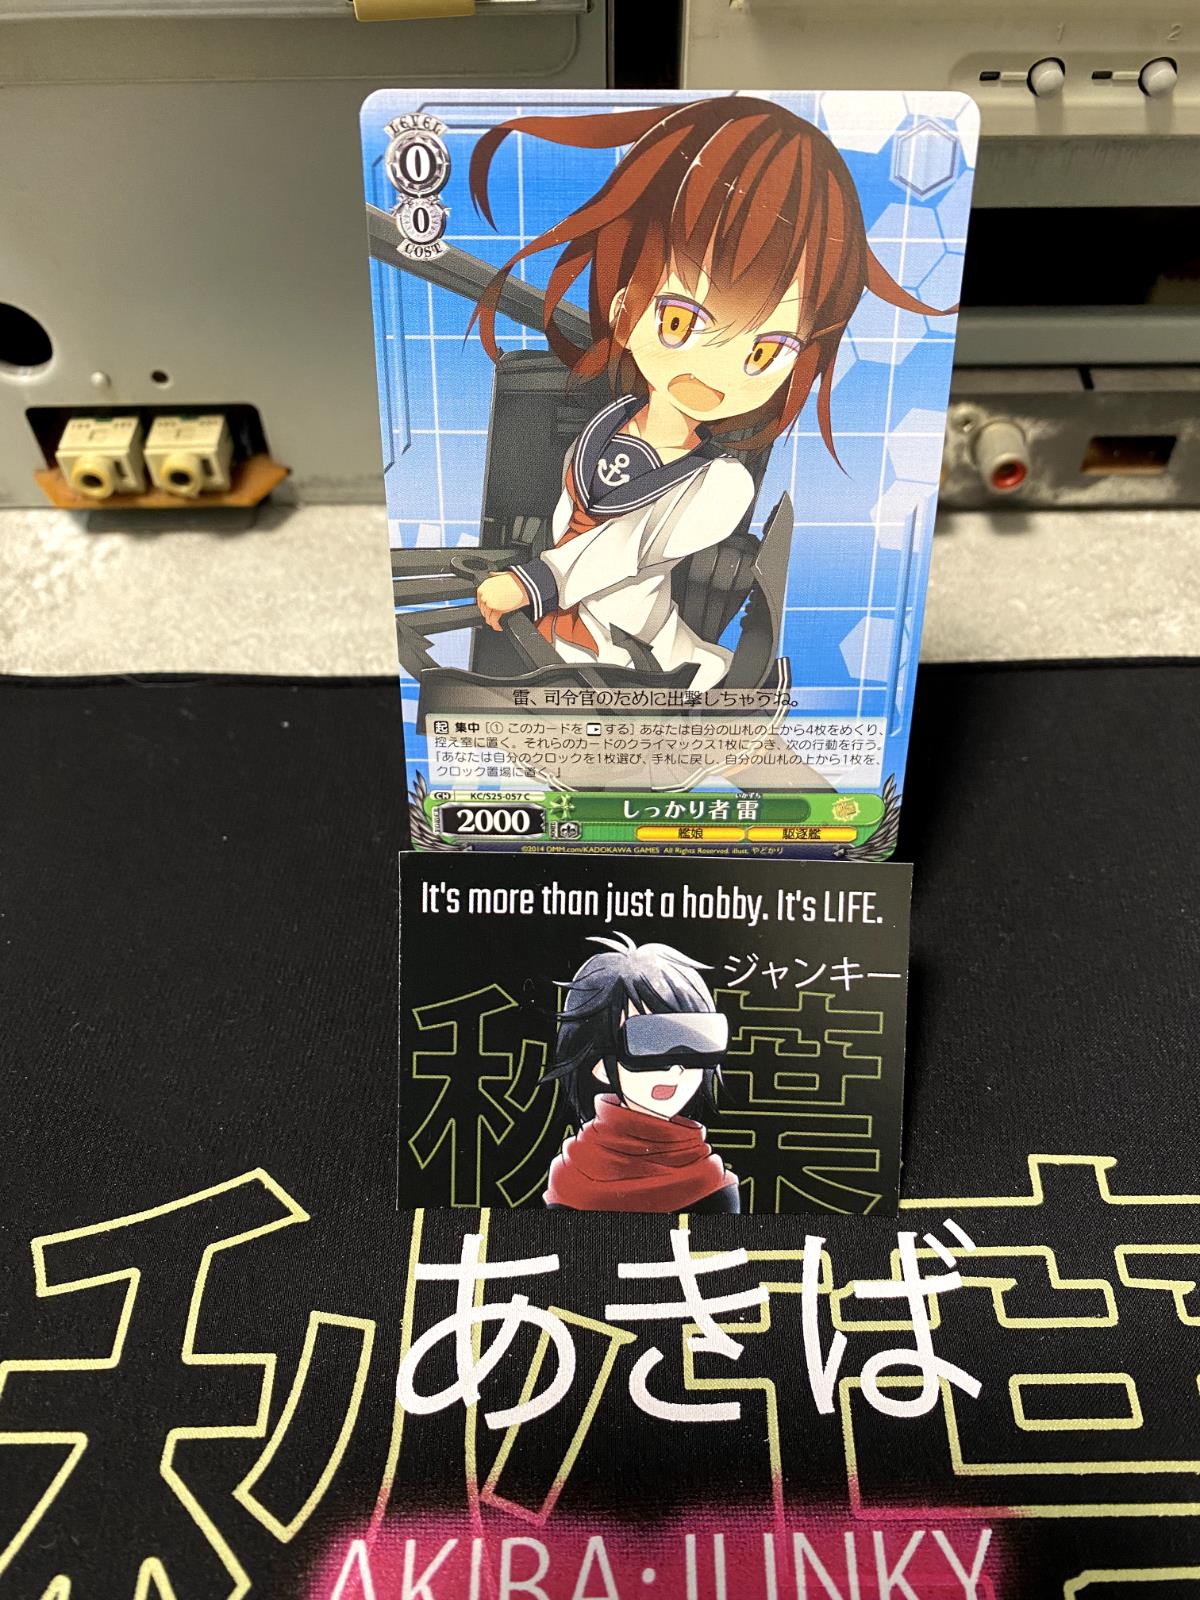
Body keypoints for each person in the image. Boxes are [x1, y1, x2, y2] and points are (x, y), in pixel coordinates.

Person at [468, 94, 954, 688]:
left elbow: (629, 546)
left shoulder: (721, 485)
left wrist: (536, 581)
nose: (717, 369)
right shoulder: (601, 429)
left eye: (765, 352)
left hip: (640, 653)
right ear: (624, 309)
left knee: (706, 699)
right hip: (550, 633)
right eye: (679, 320)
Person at [541, 932, 740, 1213]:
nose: (675, 1068)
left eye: (692, 1041)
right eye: (648, 1041)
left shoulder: (713, 1183)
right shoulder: (571, 1174)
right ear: (600, 1063)